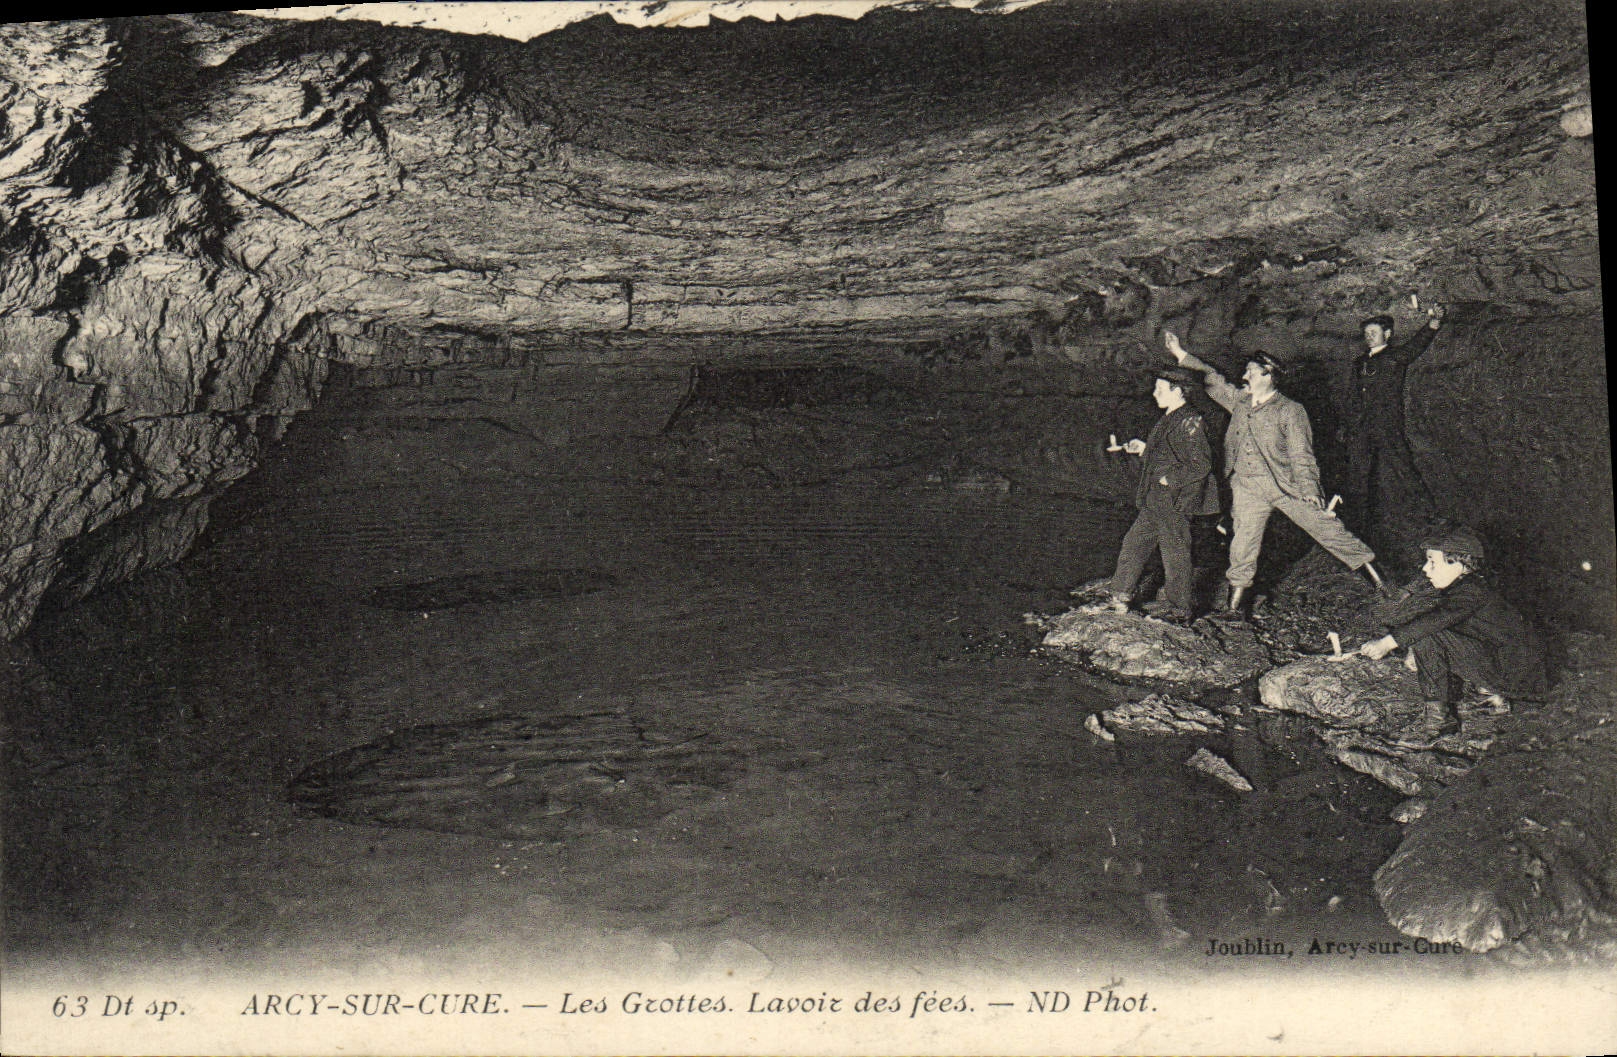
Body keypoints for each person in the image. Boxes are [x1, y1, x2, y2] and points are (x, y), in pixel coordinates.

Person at [1163, 330, 1391, 616]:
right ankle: (1233, 610)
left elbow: (1301, 454)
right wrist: (1180, 353)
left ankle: (1384, 586)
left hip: (1286, 485)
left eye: (1250, 371)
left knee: (1329, 531)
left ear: (1268, 375)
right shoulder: (1240, 402)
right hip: (1246, 486)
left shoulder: (1290, 410)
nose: (1244, 375)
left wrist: (1310, 490)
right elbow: (1213, 379)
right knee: (1242, 546)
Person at [1358, 527, 1547, 744]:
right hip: (1512, 665)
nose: (1425, 568)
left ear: (1459, 564)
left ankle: (1440, 723)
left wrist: (1387, 643)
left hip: (1519, 677)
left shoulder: (1473, 591)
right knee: (1427, 635)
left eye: (1432, 562)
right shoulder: (1471, 585)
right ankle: (1492, 698)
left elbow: (1435, 621)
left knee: (1428, 635)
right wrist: (1416, 651)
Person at [1085, 366, 1220, 623]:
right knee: (1134, 544)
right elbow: (1171, 453)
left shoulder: (1191, 421)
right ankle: (1120, 597)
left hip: (1175, 499)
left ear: (1177, 391)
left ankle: (1179, 610)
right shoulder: (1171, 417)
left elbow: (1201, 464)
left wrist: (1171, 479)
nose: (1154, 393)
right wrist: (1144, 449)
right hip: (1156, 498)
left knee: (1175, 553)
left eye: (1160, 388)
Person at [1345, 304, 1444, 528]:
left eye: (1374, 332)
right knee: (1359, 472)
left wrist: (1433, 324)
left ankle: (1430, 515)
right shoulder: (1360, 363)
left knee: (1402, 468)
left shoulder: (1394, 357)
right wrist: (1349, 425)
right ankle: (1360, 522)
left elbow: (1415, 347)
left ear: (1387, 334)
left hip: (1387, 425)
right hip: (1362, 427)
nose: (1369, 337)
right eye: (1366, 333)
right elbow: (1352, 396)